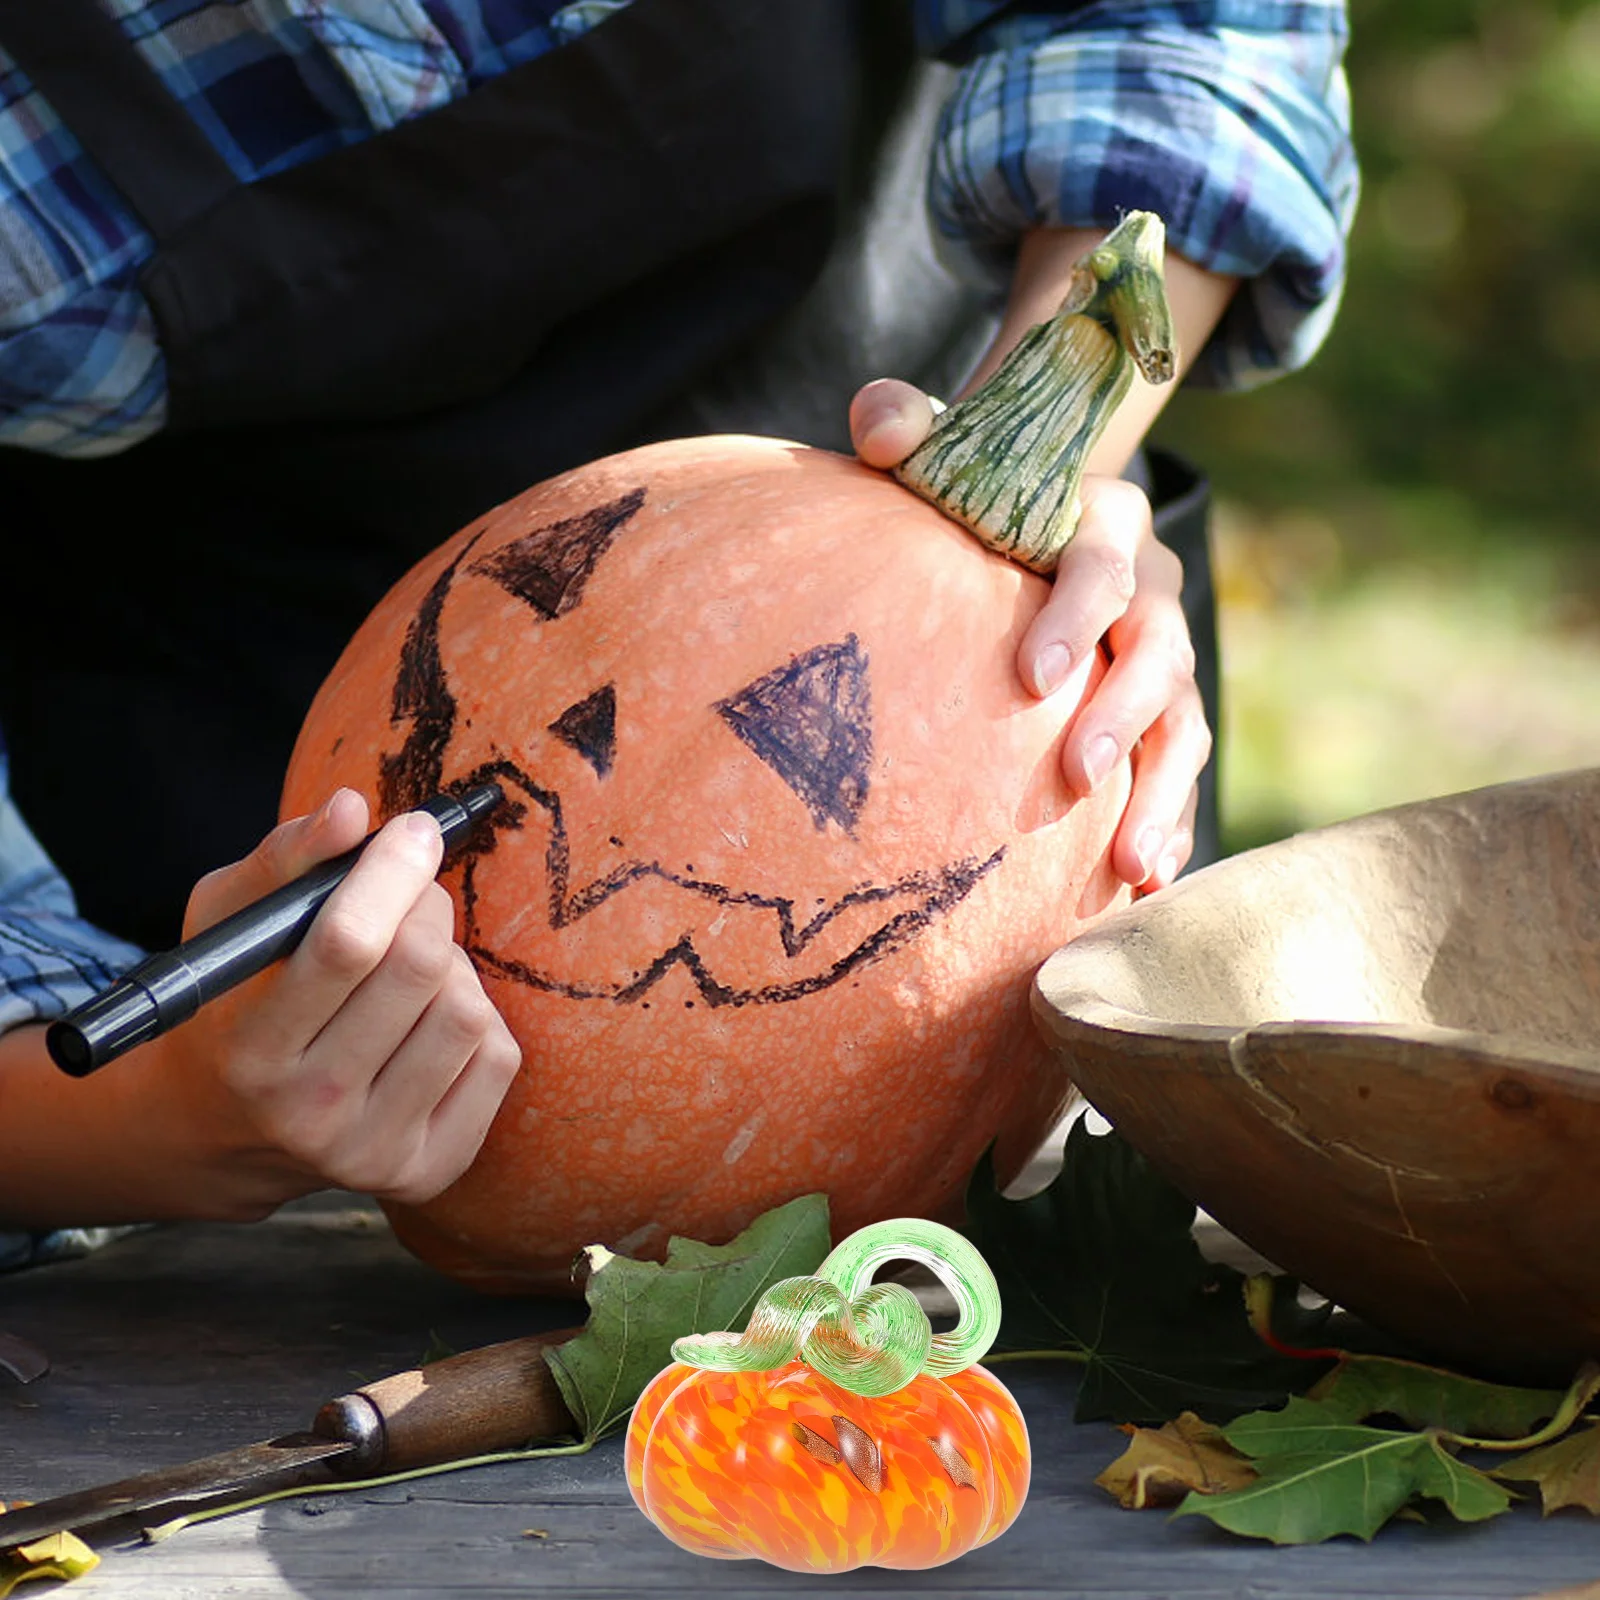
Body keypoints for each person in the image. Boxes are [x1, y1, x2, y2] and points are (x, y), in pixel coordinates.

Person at [0, 0, 1358, 1239]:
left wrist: (1050, 482)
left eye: (798, 737)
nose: (600, 741)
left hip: (969, 639)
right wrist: (155, 1121)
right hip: (180, 789)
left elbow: (1184, 27)